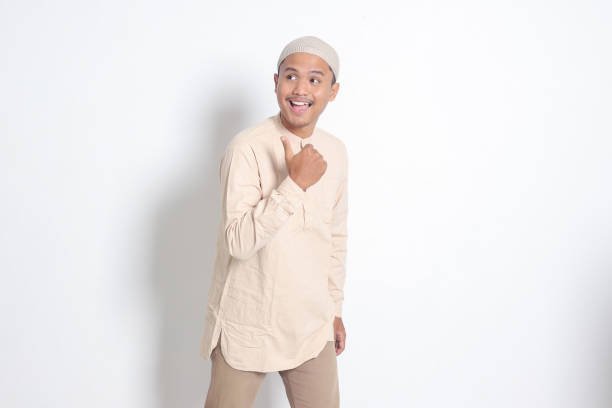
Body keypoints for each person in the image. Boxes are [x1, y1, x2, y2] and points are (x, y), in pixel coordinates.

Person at [200, 35, 348, 408]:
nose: (300, 89)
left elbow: (334, 237)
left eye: (315, 79)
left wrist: (334, 310)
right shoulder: (246, 148)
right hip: (247, 322)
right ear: (276, 82)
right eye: (290, 76)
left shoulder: (335, 151)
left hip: (310, 326)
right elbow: (238, 242)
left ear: (333, 91)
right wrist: (294, 184)